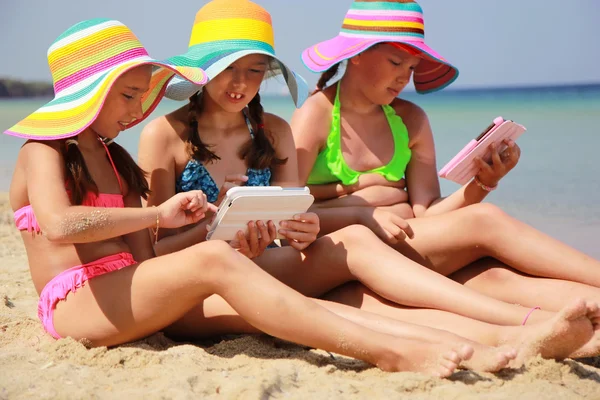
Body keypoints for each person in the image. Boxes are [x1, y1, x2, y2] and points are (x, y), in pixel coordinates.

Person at [4, 18, 491, 377]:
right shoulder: (43, 151)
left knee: (285, 305)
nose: (136, 111)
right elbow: (60, 223)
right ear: (91, 92)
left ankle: (473, 341)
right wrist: (159, 213)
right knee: (221, 265)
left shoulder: (118, 162)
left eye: (140, 97)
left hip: (131, 293)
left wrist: (207, 231)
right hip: (76, 306)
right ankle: (389, 354)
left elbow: (148, 258)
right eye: (128, 96)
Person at [138, 0, 600, 368]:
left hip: (273, 264)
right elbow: (153, 252)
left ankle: (534, 328)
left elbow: (294, 227)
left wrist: (298, 229)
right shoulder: (164, 135)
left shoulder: (274, 131)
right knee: (370, 262)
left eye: (254, 69)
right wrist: (211, 224)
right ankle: (521, 325)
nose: (240, 82)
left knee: (474, 274)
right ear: (200, 69)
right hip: (208, 276)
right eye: (227, 68)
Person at [290, 0, 600, 325]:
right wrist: (361, 214)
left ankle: (582, 321)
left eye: (411, 68)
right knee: (485, 220)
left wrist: (482, 183)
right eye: (395, 62)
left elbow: (427, 212)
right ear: (354, 55)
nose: (403, 78)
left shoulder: (411, 119)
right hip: (353, 252)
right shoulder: (317, 114)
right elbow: (287, 214)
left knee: (496, 279)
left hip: (415, 242)